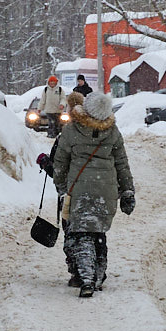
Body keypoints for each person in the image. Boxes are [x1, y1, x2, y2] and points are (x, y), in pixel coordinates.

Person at [53, 92, 135, 298]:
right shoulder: (113, 132)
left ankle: (86, 278)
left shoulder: (71, 130)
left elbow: (60, 163)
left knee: (81, 232)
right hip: (106, 190)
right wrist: (127, 190)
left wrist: (62, 187)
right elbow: (122, 164)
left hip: (78, 190)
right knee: (98, 232)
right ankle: (98, 275)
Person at [37, 91, 86, 284]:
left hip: (69, 193)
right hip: (93, 191)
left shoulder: (66, 136)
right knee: (94, 232)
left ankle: (77, 271)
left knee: (72, 232)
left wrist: (44, 162)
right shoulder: (97, 133)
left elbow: (57, 170)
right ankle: (97, 269)